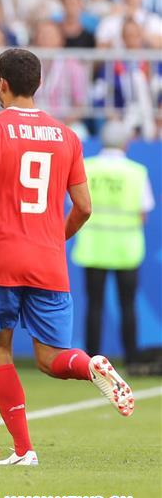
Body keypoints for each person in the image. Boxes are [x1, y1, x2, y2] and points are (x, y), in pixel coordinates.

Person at [0, 48, 135, 466]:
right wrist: (52, 238)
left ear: (1, 84)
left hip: (1, 258)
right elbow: (84, 206)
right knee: (52, 358)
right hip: (48, 261)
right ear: (38, 85)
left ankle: (24, 449)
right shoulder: (67, 136)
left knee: (0, 350)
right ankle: (88, 364)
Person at [72, 121, 154, 366]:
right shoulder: (136, 172)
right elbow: (144, 211)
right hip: (125, 249)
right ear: (126, 143)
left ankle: (92, 362)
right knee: (128, 305)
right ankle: (131, 359)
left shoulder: (88, 168)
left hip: (93, 246)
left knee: (94, 305)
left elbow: (76, 206)